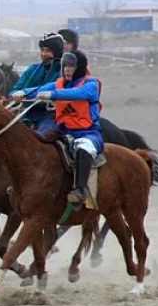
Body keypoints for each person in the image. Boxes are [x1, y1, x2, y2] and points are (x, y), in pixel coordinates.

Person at [11, 50, 102, 205]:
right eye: (65, 65)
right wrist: (22, 93)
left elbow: (77, 93)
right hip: (62, 131)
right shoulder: (58, 83)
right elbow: (37, 90)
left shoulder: (91, 84)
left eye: (71, 66)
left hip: (86, 133)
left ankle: (80, 190)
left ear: (79, 68)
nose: (67, 69)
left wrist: (52, 95)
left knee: (83, 149)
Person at [6, 31, 65, 136]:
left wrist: (26, 94)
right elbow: (17, 88)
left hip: (50, 115)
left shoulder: (63, 72)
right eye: (42, 50)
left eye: (48, 51)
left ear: (57, 52)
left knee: (41, 138)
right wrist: (15, 96)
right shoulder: (32, 69)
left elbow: (57, 91)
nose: (43, 54)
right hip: (25, 114)